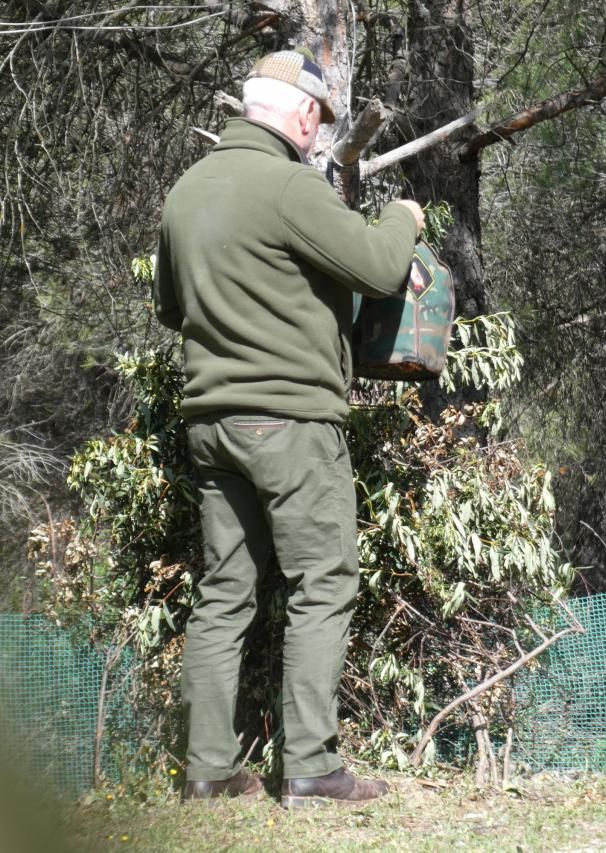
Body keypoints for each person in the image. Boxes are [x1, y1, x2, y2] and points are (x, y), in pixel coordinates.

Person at [153, 49, 425, 808]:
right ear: (301, 113)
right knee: (323, 581)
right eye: (319, 119)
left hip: (212, 424)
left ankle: (208, 769)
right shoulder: (288, 187)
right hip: (292, 422)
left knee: (222, 593)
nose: (318, 133)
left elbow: (173, 308)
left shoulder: (185, 192)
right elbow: (376, 266)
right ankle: (311, 766)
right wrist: (402, 219)